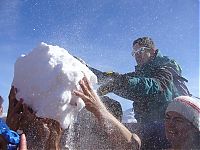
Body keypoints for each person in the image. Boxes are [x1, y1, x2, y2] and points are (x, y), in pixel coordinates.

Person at [89, 37, 189, 149]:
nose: (136, 55)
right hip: (149, 125)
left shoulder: (166, 68)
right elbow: (109, 78)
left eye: (140, 51)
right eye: (134, 53)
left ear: (151, 51)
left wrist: (122, 82)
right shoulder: (140, 73)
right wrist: (85, 69)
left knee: (116, 134)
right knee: (109, 128)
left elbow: (155, 85)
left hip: (169, 128)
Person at [74, 75, 141, 150]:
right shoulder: (80, 134)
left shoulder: (119, 139)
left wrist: (99, 110)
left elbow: (132, 145)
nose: (95, 120)